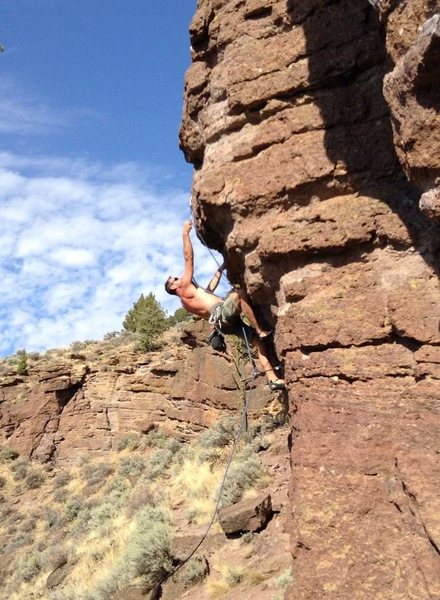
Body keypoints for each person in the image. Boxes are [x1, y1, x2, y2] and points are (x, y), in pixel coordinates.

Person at [165, 220, 286, 391]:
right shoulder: (183, 288)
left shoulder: (187, 300)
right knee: (240, 294)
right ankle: (260, 329)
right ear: (174, 287)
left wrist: (221, 268)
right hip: (222, 314)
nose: (178, 277)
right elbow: (188, 258)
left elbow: (210, 288)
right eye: (174, 279)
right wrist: (185, 233)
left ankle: (272, 378)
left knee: (257, 342)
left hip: (224, 324)